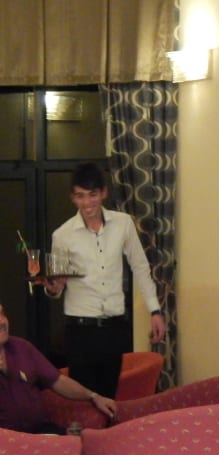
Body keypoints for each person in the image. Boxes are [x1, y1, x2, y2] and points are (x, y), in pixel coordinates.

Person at [44, 163, 166, 398]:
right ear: (72, 197)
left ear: (103, 193)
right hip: (80, 330)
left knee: (110, 399)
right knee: (83, 402)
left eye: (92, 195)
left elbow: (140, 267)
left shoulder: (123, 223)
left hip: (114, 327)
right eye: (80, 196)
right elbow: (57, 286)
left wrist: (155, 311)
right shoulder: (62, 235)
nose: (87, 202)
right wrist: (53, 288)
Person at [0, 303, 116, 433]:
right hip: (7, 439)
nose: (2, 322)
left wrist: (94, 396)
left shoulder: (21, 347)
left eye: (2, 314)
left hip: (40, 431)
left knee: (80, 440)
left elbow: (58, 381)